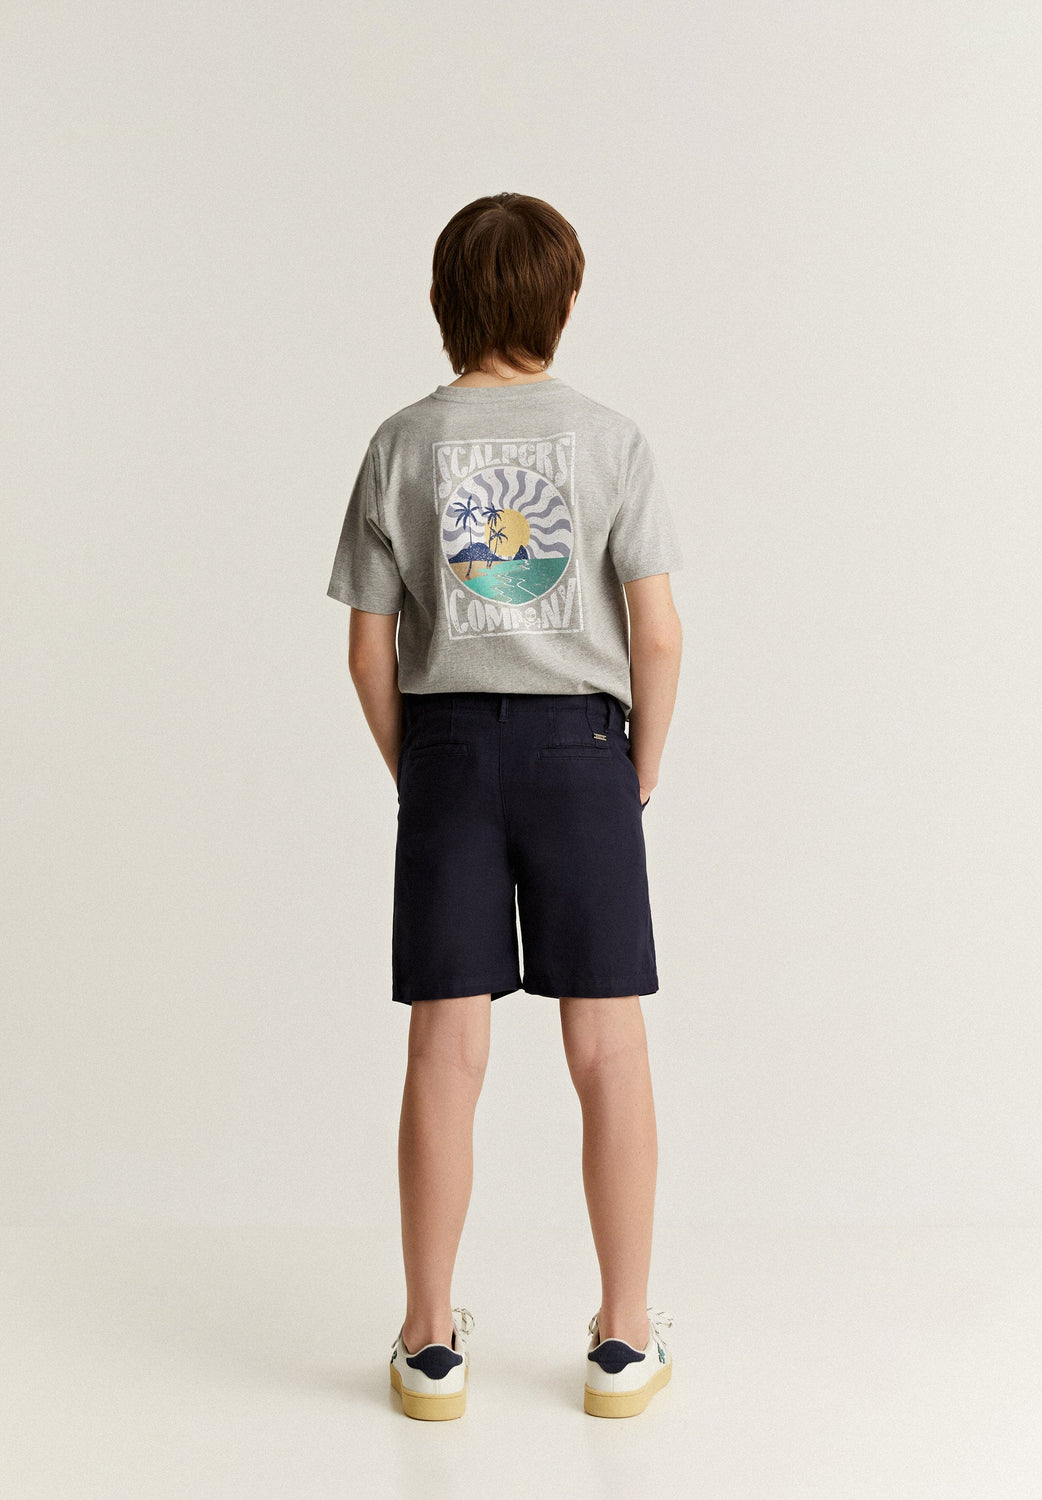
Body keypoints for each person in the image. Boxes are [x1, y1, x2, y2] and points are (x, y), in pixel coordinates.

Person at [326, 192, 683, 1420]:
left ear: (442, 304)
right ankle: (623, 1339)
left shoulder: (399, 444)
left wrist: (418, 769)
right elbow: (657, 634)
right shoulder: (611, 440)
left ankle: (430, 1343)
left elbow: (368, 652)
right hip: (583, 750)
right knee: (608, 1044)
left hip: (446, 749)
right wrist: (636, 772)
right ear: (564, 301)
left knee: (444, 1046)